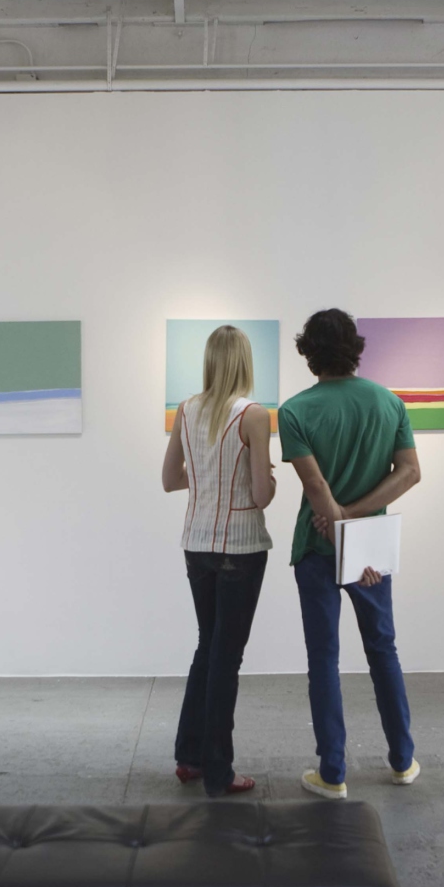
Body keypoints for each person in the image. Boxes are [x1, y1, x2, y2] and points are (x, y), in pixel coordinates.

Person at [278, 309, 423, 800]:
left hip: (317, 547)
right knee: (383, 649)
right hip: (371, 554)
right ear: (355, 349)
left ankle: (333, 772)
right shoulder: (389, 402)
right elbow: (409, 473)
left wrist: (338, 518)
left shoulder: (295, 410)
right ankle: (402, 761)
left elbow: (314, 484)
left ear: (308, 352)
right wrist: (360, 518)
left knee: (324, 658)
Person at [161, 325, 277, 797]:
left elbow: (170, 479)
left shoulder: (186, 410)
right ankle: (219, 770)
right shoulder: (253, 415)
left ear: (210, 361)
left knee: (207, 647)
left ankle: (190, 757)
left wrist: (207, 479)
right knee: (226, 657)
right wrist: (265, 476)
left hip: (197, 544)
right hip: (240, 548)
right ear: (244, 362)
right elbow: (262, 496)